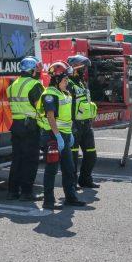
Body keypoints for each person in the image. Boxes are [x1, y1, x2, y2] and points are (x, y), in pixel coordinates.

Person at [37, 61, 86, 210]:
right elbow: (51, 117)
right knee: (51, 169)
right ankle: (49, 201)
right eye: (65, 80)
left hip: (64, 135)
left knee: (69, 167)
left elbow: (65, 116)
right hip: (52, 136)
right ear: (57, 80)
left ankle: (70, 197)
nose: (67, 83)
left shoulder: (64, 93)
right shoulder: (50, 95)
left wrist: (68, 133)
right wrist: (58, 136)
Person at [6, 56, 44, 201]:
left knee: (17, 159)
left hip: (16, 125)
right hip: (30, 126)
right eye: (36, 69)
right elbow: (40, 107)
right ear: (32, 70)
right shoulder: (35, 85)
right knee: (31, 159)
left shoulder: (13, 85)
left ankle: (12, 191)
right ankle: (27, 192)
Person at [67, 54, 99, 189]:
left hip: (86, 125)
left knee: (91, 154)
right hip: (74, 125)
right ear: (74, 67)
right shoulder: (68, 84)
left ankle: (85, 179)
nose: (85, 70)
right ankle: (72, 183)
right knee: (73, 158)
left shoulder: (81, 82)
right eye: (83, 67)